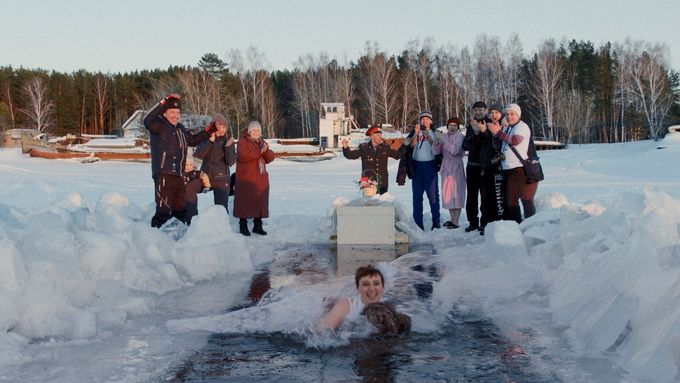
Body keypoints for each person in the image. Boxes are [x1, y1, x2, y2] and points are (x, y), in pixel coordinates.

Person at [144, 93, 215, 227]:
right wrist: (164, 101)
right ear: (164, 113)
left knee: (180, 209)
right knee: (163, 210)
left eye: (178, 112)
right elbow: (147, 120)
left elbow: (192, 141)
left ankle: (179, 238)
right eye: (172, 112)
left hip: (179, 174)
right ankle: (153, 240)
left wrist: (209, 131)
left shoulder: (180, 128)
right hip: (163, 173)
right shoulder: (158, 125)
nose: (175, 115)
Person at [398, 110, 441, 231]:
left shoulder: (435, 133)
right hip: (416, 167)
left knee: (433, 197)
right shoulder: (414, 132)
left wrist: (428, 138)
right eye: (423, 119)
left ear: (431, 121)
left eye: (427, 119)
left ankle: (436, 222)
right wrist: (416, 134)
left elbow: (438, 148)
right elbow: (408, 147)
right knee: (417, 197)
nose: (425, 121)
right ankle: (418, 224)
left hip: (430, 167)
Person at [488, 103, 531, 224]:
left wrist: (499, 133)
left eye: (512, 114)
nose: (510, 116)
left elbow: (515, 140)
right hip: (506, 168)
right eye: (507, 114)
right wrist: (495, 135)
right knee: (505, 200)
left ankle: (516, 226)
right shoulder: (508, 127)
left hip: (517, 168)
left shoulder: (522, 127)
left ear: (518, 115)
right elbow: (498, 145)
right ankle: (508, 226)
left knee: (511, 200)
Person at [233, 120, 276, 236]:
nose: (256, 132)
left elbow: (270, 158)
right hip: (246, 177)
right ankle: (243, 225)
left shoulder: (262, 142)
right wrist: (259, 152)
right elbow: (243, 156)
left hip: (260, 178)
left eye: (258, 130)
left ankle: (258, 225)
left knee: (259, 201)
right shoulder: (242, 141)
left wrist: (266, 151)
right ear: (249, 131)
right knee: (244, 202)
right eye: (254, 130)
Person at [317, 265, 385, 331]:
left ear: (383, 287)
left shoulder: (387, 308)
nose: (372, 289)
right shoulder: (347, 305)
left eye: (376, 283)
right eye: (365, 284)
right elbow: (322, 330)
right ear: (358, 288)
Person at [193, 113, 237, 214]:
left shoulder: (228, 140)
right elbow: (198, 156)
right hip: (205, 177)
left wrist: (228, 147)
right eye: (220, 126)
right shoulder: (205, 138)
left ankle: (224, 226)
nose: (222, 129)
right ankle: (193, 222)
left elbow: (230, 161)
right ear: (214, 126)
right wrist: (210, 141)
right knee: (190, 194)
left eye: (225, 127)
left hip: (222, 178)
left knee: (222, 209)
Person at [342, 124, 402, 195]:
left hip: (382, 184)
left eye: (381, 134)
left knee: (382, 205)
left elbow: (398, 155)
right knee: (370, 205)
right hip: (368, 184)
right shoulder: (364, 148)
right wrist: (345, 147)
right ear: (371, 136)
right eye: (378, 135)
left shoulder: (385, 147)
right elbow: (350, 155)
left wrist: (407, 147)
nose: (380, 137)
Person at [477, 104, 505, 235]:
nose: (494, 115)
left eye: (496, 112)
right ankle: (485, 222)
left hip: (498, 166)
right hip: (485, 166)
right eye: (492, 112)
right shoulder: (486, 124)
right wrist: (482, 132)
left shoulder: (504, 126)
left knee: (497, 197)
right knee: (485, 197)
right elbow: (482, 143)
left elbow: (498, 145)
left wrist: (487, 132)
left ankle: (498, 223)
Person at [433, 117, 466, 229]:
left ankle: (456, 221)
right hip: (446, 166)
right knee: (448, 193)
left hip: (456, 166)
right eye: (450, 125)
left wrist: (443, 139)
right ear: (447, 126)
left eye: (455, 125)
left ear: (458, 127)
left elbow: (454, 151)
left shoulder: (460, 137)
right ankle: (452, 219)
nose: (452, 127)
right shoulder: (445, 136)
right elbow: (436, 152)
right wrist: (437, 141)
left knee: (457, 193)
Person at [462, 101, 489, 233]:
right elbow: (465, 145)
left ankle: (485, 222)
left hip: (485, 166)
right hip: (472, 165)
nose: (478, 112)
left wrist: (481, 133)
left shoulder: (489, 124)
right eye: (476, 110)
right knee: (471, 196)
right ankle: (472, 222)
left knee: (485, 195)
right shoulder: (471, 126)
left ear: (486, 110)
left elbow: (489, 143)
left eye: (481, 109)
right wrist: (476, 135)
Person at [183, 157, 205, 224]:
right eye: (186, 165)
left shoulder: (196, 173)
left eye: (190, 165)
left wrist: (207, 186)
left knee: (189, 190)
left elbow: (204, 178)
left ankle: (192, 220)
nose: (188, 167)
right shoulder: (182, 173)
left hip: (194, 187)